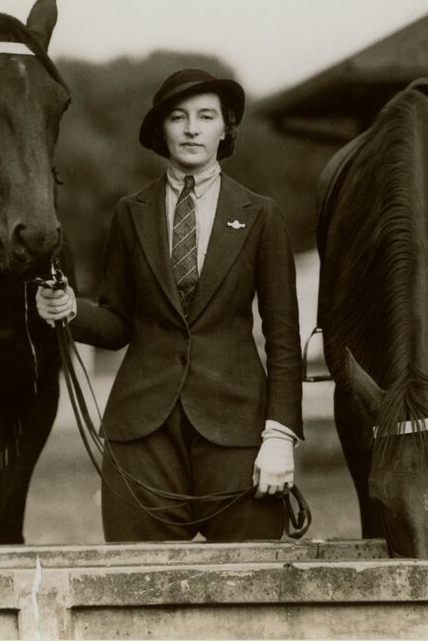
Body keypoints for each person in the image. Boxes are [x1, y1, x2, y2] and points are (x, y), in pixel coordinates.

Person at [36, 68, 303, 542]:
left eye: (206, 116)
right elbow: (118, 324)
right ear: (161, 130)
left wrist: (280, 436)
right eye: (178, 118)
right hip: (142, 433)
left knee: (250, 588)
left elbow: (283, 338)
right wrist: (70, 309)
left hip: (237, 431)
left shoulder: (261, 215)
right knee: (132, 587)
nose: (192, 128)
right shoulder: (129, 213)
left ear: (226, 128)